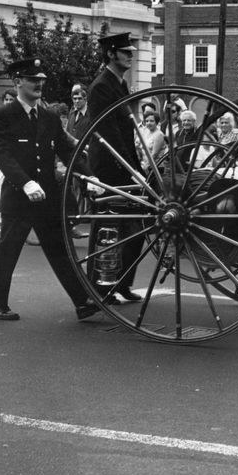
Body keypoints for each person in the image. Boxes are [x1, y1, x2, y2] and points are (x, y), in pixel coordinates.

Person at [0, 58, 99, 322]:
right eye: (33, 80)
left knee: (59, 247)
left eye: (41, 80)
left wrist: (89, 177)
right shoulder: (3, 116)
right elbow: (2, 153)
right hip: (19, 196)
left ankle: (82, 301)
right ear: (17, 82)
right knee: (9, 247)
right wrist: (24, 182)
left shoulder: (49, 117)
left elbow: (68, 151)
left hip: (46, 196)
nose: (39, 84)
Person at [87, 32, 143, 303]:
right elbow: (108, 134)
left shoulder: (119, 84)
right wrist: (132, 168)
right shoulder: (101, 86)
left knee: (137, 223)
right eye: (125, 52)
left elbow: (128, 132)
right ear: (110, 54)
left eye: (130, 51)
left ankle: (122, 282)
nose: (130, 55)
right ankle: (99, 286)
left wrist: (138, 166)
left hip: (124, 161)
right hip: (110, 164)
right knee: (108, 227)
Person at [0, 88, 18, 226]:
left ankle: (2, 216)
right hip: (5, 156)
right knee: (1, 185)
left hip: (14, 156)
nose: (7, 102)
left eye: (11, 99)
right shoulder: (1, 116)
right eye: (6, 99)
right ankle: (0, 215)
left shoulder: (18, 116)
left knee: (4, 185)